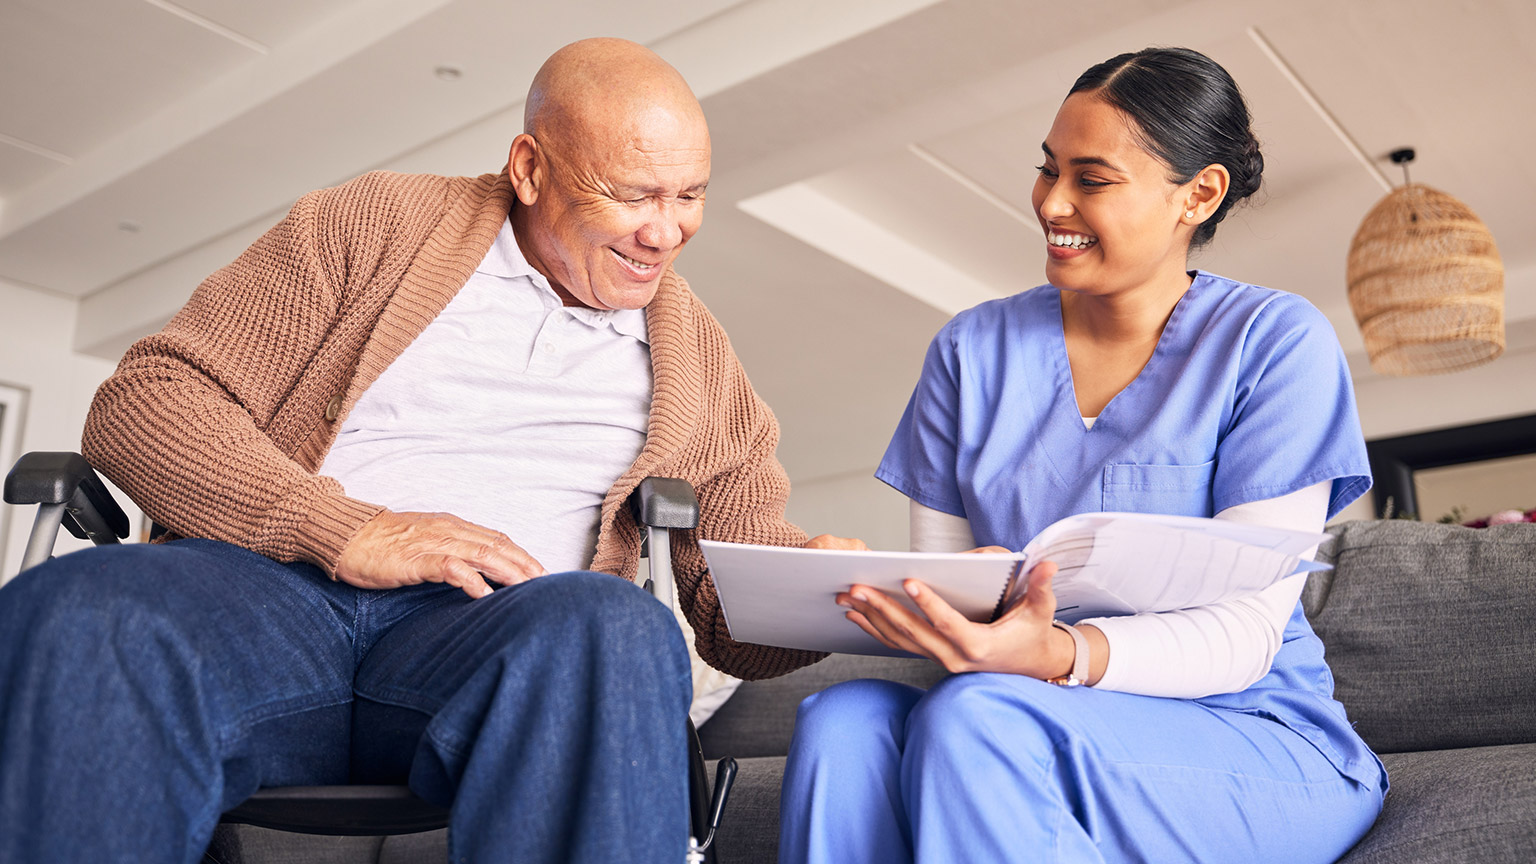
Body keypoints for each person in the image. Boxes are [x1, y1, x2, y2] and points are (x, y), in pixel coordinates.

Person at [0, 37, 848, 864]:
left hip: (499, 635)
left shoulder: (699, 359)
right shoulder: (371, 224)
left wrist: (828, 592)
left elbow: (725, 601)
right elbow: (146, 401)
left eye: (690, 195)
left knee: (614, 626)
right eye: (634, 195)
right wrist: (342, 529)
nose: (667, 232)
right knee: (82, 607)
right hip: (264, 603)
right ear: (530, 168)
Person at [778, 47, 1388, 864]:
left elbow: (1245, 635)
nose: (1052, 201)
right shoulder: (969, 352)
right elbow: (958, 601)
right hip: (1019, 706)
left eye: (1092, 179)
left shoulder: (1274, 343)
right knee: (841, 723)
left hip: (1248, 731)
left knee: (979, 717)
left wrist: (1062, 655)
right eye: (1047, 169)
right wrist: (860, 592)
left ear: (1197, 194)